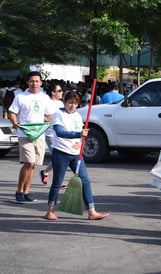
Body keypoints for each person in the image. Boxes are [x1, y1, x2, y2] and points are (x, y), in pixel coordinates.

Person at [44, 91, 109, 221]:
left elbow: (81, 135)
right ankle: (50, 210)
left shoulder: (78, 116)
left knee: (85, 181)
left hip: (75, 154)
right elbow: (59, 132)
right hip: (61, 152)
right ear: (64, 102)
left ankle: (92, 211)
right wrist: (78, 134)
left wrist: (80, 142)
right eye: (70, 103)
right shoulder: (59, 114)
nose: (72, 105)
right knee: (57, 182)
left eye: (75, 103)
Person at [9, 71, 53, 203]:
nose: (34, 83)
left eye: (37, 81)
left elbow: (49, 116)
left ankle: (26, 191)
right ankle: (19, 191)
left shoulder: (45, 98)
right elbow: (12, 112)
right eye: (32, 81)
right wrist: (14, 122)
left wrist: (41, 121)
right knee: (29, 162)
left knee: (33, 165)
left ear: (41, 83)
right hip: (24, 134)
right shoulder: (21, 97)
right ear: (28, 82)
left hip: (39, 135)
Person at [39, 83, 64, 186]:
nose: (61, 92)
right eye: (59, 90)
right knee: (59, 158)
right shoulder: (47, 103)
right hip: (50, 134)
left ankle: (45, 172)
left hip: (60, 134)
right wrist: (51, 118)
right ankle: (58, 180)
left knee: (58, 158)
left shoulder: (61, 104)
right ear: (53, 92)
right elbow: (42, 117)